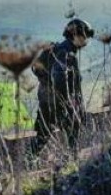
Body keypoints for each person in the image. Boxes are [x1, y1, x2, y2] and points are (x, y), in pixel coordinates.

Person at [32, 19, 93, 151]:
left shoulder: (58, 49)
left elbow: (36, 68)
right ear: (75, 35)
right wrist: (68, 104)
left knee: (43, 135)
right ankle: (72, 162)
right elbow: (59, 78)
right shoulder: (66, 53)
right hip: (58, 102)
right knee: (73, 131)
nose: (87, 39)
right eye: (85, 36)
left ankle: (28, 162)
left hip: (46, 99)